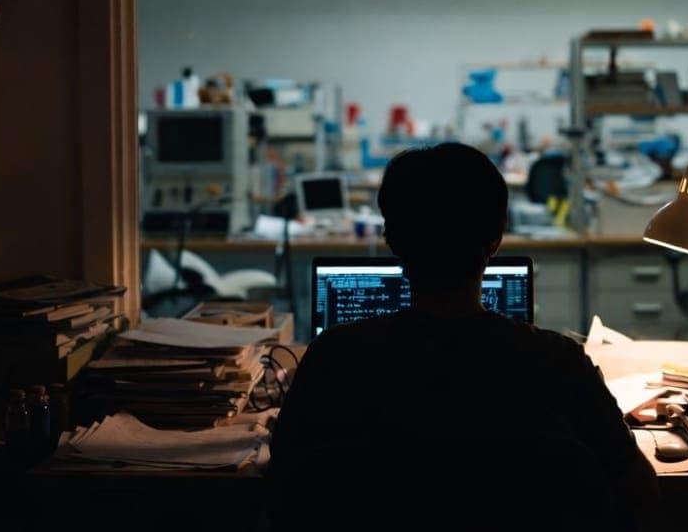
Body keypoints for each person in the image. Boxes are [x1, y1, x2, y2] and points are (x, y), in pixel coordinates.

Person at [267, 142, 659, 531]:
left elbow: (282, 489)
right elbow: (638, 488)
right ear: (496, 239)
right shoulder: (558, 364)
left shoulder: (334, 359)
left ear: (392, 239)